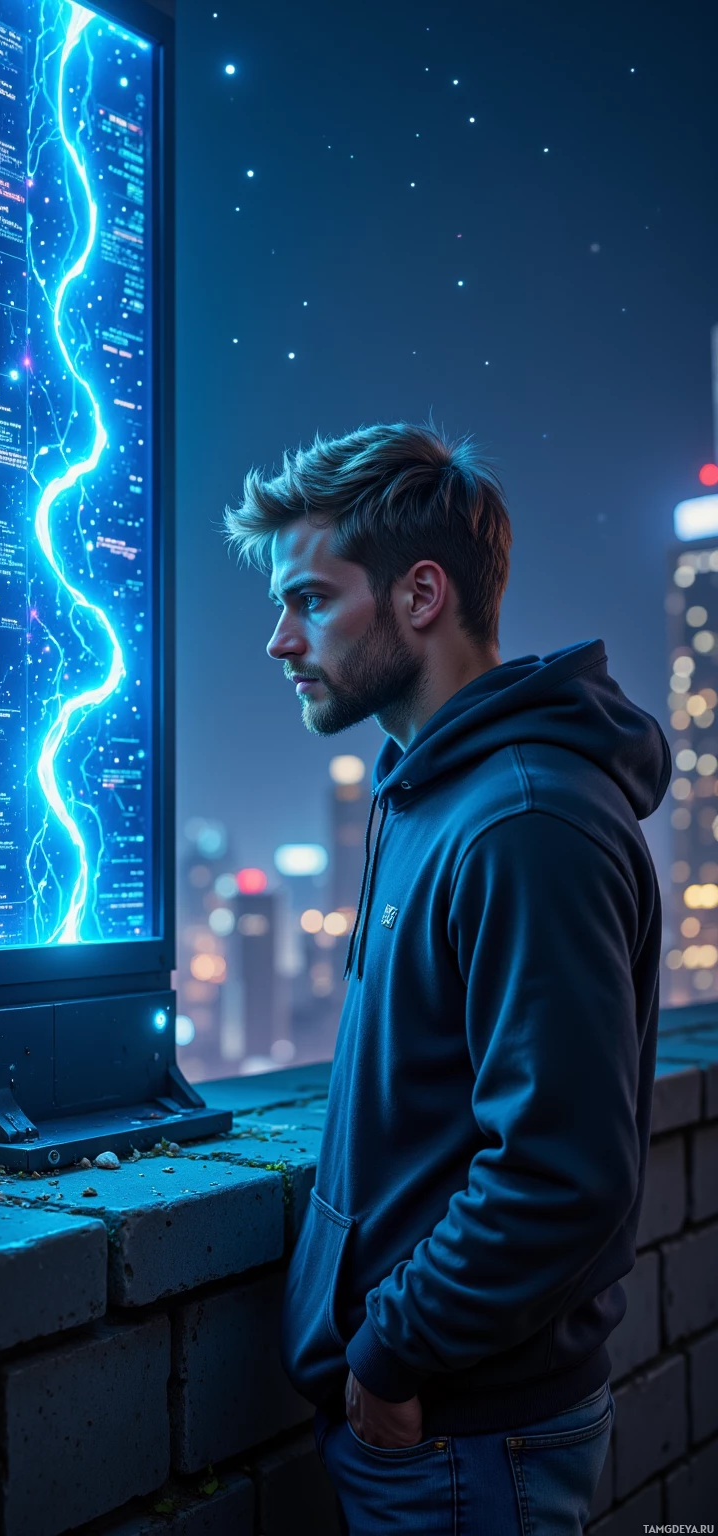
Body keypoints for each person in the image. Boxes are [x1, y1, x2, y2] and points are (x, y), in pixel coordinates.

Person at [223, 422, 670, 1535]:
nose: (279, 641)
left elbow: (563, 1170)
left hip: (466, 1436)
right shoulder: (430, 794)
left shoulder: (524, 820)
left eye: (310, 601)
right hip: (436, 1426)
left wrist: (389, 1354)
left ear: (421, 596)